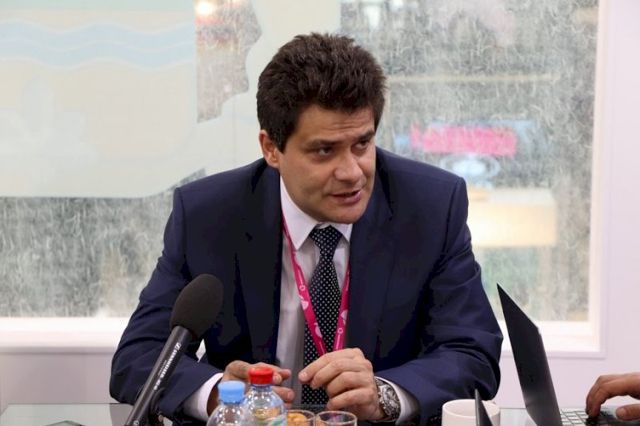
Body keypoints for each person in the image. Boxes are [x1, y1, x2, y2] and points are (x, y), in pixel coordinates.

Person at [110, 33, 502, 425]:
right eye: (324, 150)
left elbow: (472, 353)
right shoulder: (209, 216)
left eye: (362, 144)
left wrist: (384, 395)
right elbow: (139, 356)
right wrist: (220, 396)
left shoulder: (430, 207)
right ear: (271, 148)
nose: (352, 173)